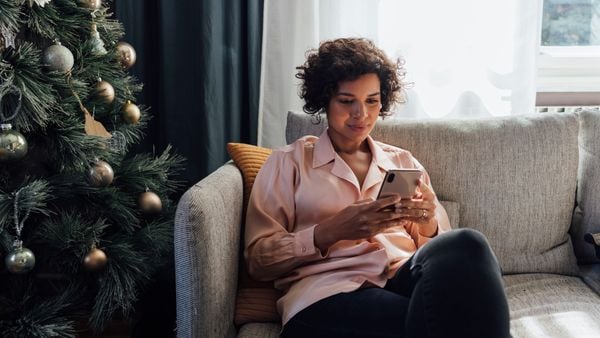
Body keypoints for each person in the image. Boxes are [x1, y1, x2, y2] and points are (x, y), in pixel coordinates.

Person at [244, 38, 511, 338]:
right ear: (325, 100)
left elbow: (444, 263)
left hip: (401, 281)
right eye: (347, 101)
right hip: (326, 294)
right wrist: (331, 231)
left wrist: (429, 224)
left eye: (372, 100)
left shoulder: (402, 161)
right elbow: (258, 261)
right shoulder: (288, 163)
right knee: (454, 324)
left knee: (467, 244)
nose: (362, 114)